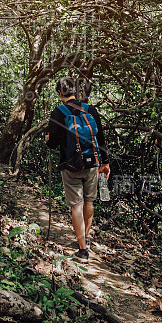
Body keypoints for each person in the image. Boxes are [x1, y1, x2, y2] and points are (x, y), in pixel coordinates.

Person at [45, 76, 110, 262]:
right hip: (92, 164)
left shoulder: (59, 112)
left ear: (59, 94)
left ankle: (82, 250)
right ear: (76, 92)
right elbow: (101, 138)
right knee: (89, 202)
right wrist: (105, 163)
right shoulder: (90, 109)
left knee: (76, 205)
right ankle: (84, 239)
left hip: (71, 165)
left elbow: (54, 143)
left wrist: (48, 140)